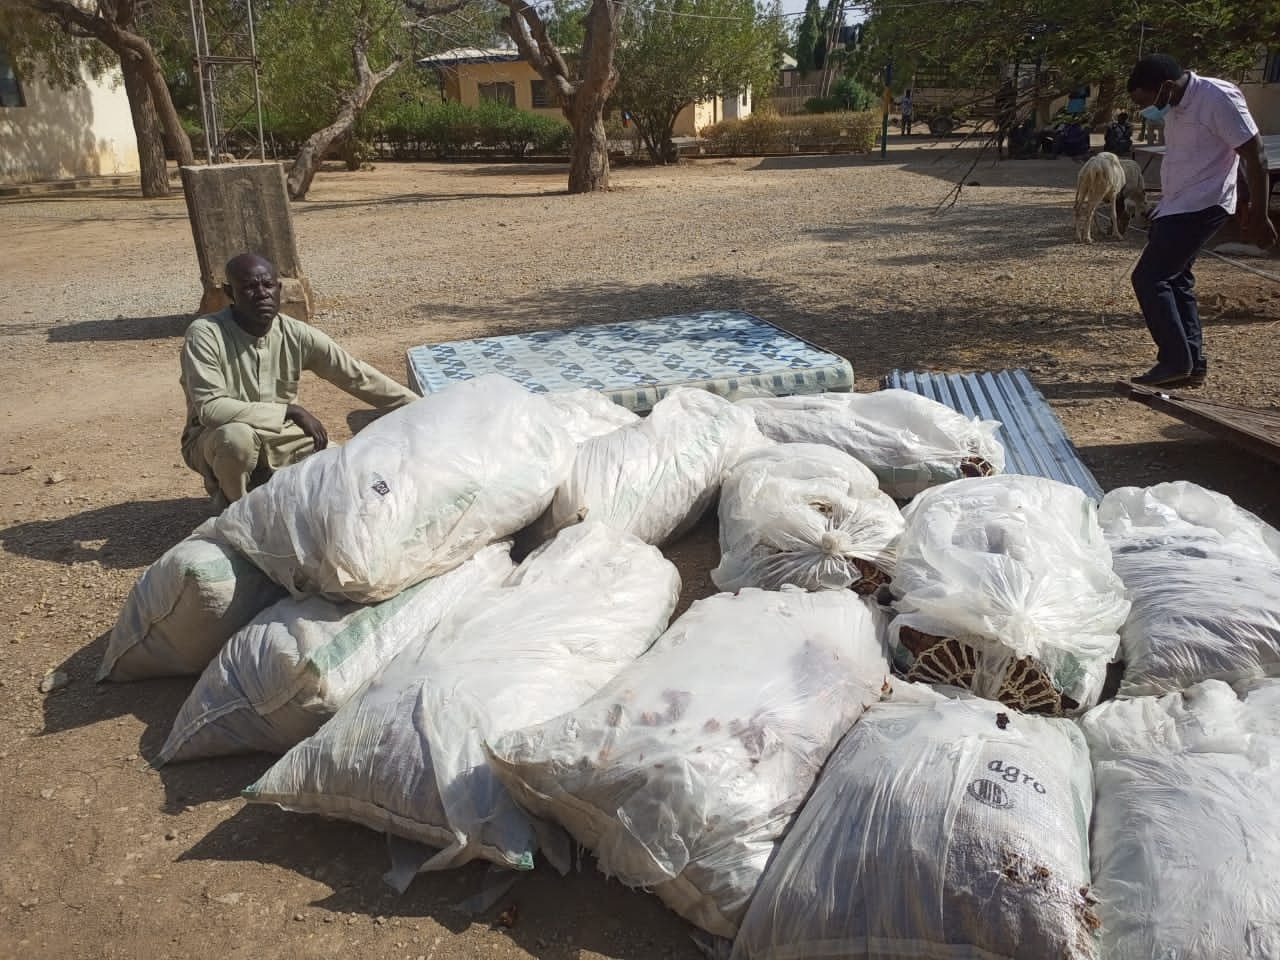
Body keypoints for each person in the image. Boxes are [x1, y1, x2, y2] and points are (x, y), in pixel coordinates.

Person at [180, 253, 419, 507]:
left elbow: (356, 376)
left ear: (279, 288)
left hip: (283, 436)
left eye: (268, 285)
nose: (262, 294)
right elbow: (211, 409)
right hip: (213, 438)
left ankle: (269, 484)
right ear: (230, 293)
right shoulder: (206, 334)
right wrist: (288, 410)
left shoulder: (295, 333)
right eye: (249, 287)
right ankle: (235, 510)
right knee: (236, 439)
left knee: (345, 472)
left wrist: (425, 406)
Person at [1126, 54, 1277, 387]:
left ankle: (1174, 361)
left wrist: (1258, 212)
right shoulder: (1176, 103)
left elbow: (1255, 155)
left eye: (1147, 101)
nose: (1148, 110)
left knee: (1150, 278)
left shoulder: (1217, 98)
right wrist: (1163, 204)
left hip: (1204, 204)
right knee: (1177, 280)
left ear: (1165, 87)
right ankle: (1191, 364)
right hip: (1176, 205)